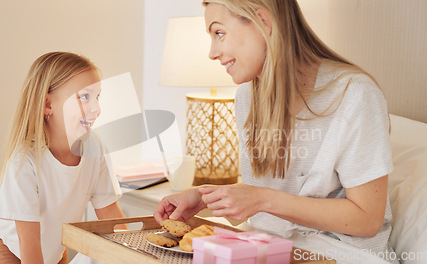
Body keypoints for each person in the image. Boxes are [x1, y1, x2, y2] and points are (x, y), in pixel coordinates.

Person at [154, 1, 397, 263]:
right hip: (266, 245)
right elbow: (257, 198)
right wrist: (204, 197)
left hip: (340, 255)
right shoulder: (248, 97)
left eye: (219, 33)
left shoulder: (353, 94)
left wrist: (263, 199)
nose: (212, 53)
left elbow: (367, 218)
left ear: (264, 23)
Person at [0, 51, 125, 264]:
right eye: (85, 97)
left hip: (54, 245)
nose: (96, 108)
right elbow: (29, 241)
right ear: (47, 105)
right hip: (14, 249)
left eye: (97, 97)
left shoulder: (94, 148)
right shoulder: (25, 161)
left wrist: (129, 255)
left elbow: (109, 213)